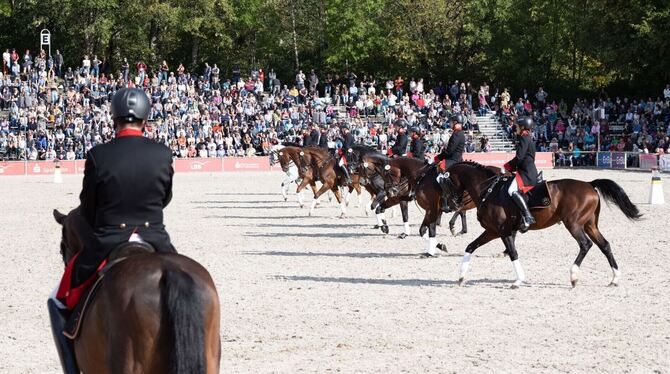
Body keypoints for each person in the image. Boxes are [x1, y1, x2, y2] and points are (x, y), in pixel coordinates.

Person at [47, 88, 177, 374]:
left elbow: (89, 208)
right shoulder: (163, 153)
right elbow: (165, 198)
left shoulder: (98, 155)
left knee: (56, 299)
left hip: (108, 240)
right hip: (156, 237)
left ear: (113, 118)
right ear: (146, 119)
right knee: (184, 281)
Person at [503, 116, 538, 232]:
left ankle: (527, 216)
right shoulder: (528, 138)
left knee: (511, 190)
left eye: (517, 126)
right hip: (529, 171)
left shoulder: (524, 138)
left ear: (523, 127)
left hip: (526, 173)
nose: (516, 128)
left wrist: (506, 167)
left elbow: (519, 157)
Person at [435, 114, 466, 213]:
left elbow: (449, 151)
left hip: (453, 160)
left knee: (439, 177)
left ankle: (445, 201)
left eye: (452, 122)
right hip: (455, 159)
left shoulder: (457, 134)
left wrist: (438, 157)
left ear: (456, 122)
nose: (450, 124)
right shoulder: (459, 133)